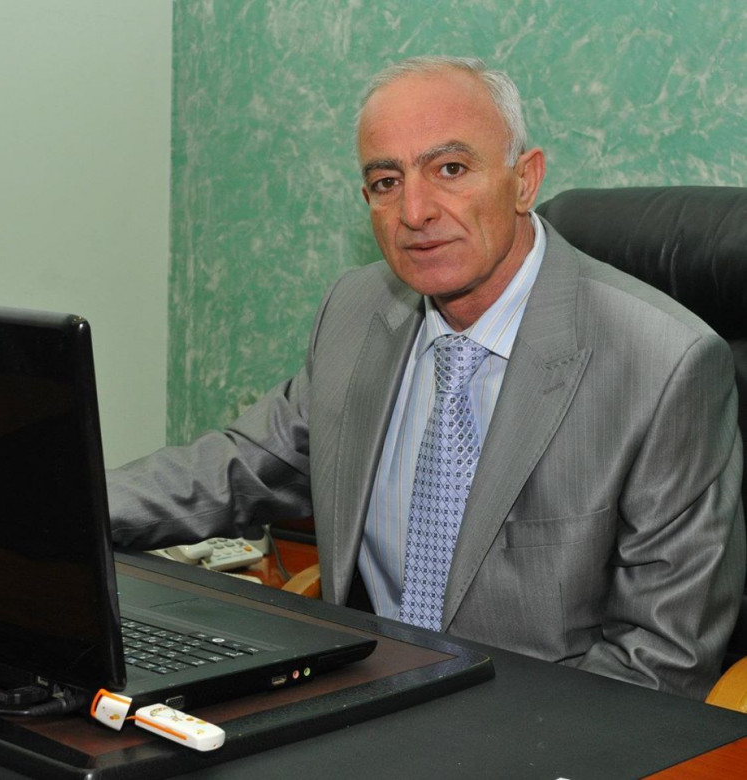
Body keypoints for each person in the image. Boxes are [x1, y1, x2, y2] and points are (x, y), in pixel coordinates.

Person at [108, 55, 745, 700]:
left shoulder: (665, 365)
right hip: (360, 697)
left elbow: (662, 659)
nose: (414, 211)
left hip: (535, 726)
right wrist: (60, 508)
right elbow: (242, 464)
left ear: (524, 180)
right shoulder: (358, 309)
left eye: (450, 169)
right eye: (386, 181)